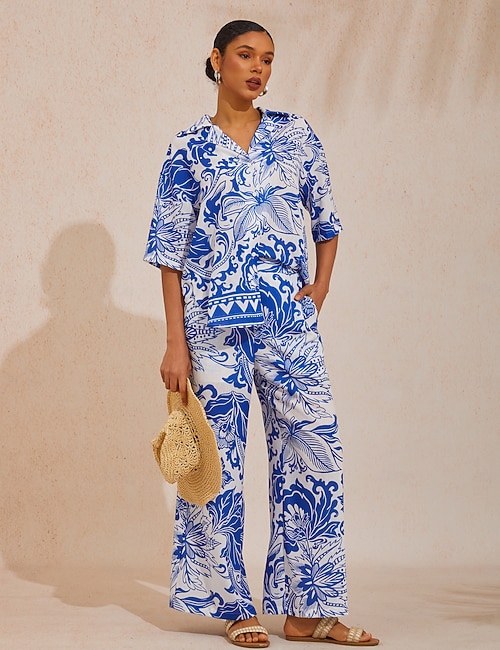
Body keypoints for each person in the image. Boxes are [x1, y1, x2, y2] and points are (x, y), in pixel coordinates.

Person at [144, 19, 379, 649]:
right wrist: (174, 343)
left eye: (268, 59)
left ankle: (308, 610)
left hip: (287, 327)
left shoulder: (296, 136)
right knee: (216, 467)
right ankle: (232, 604)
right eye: (246, 55)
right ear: (216, 60)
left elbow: (326, 221)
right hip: (211, 331)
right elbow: (168, 253)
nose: (258, 68)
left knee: (314, 455)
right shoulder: (188, 147)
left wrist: (319, 289)